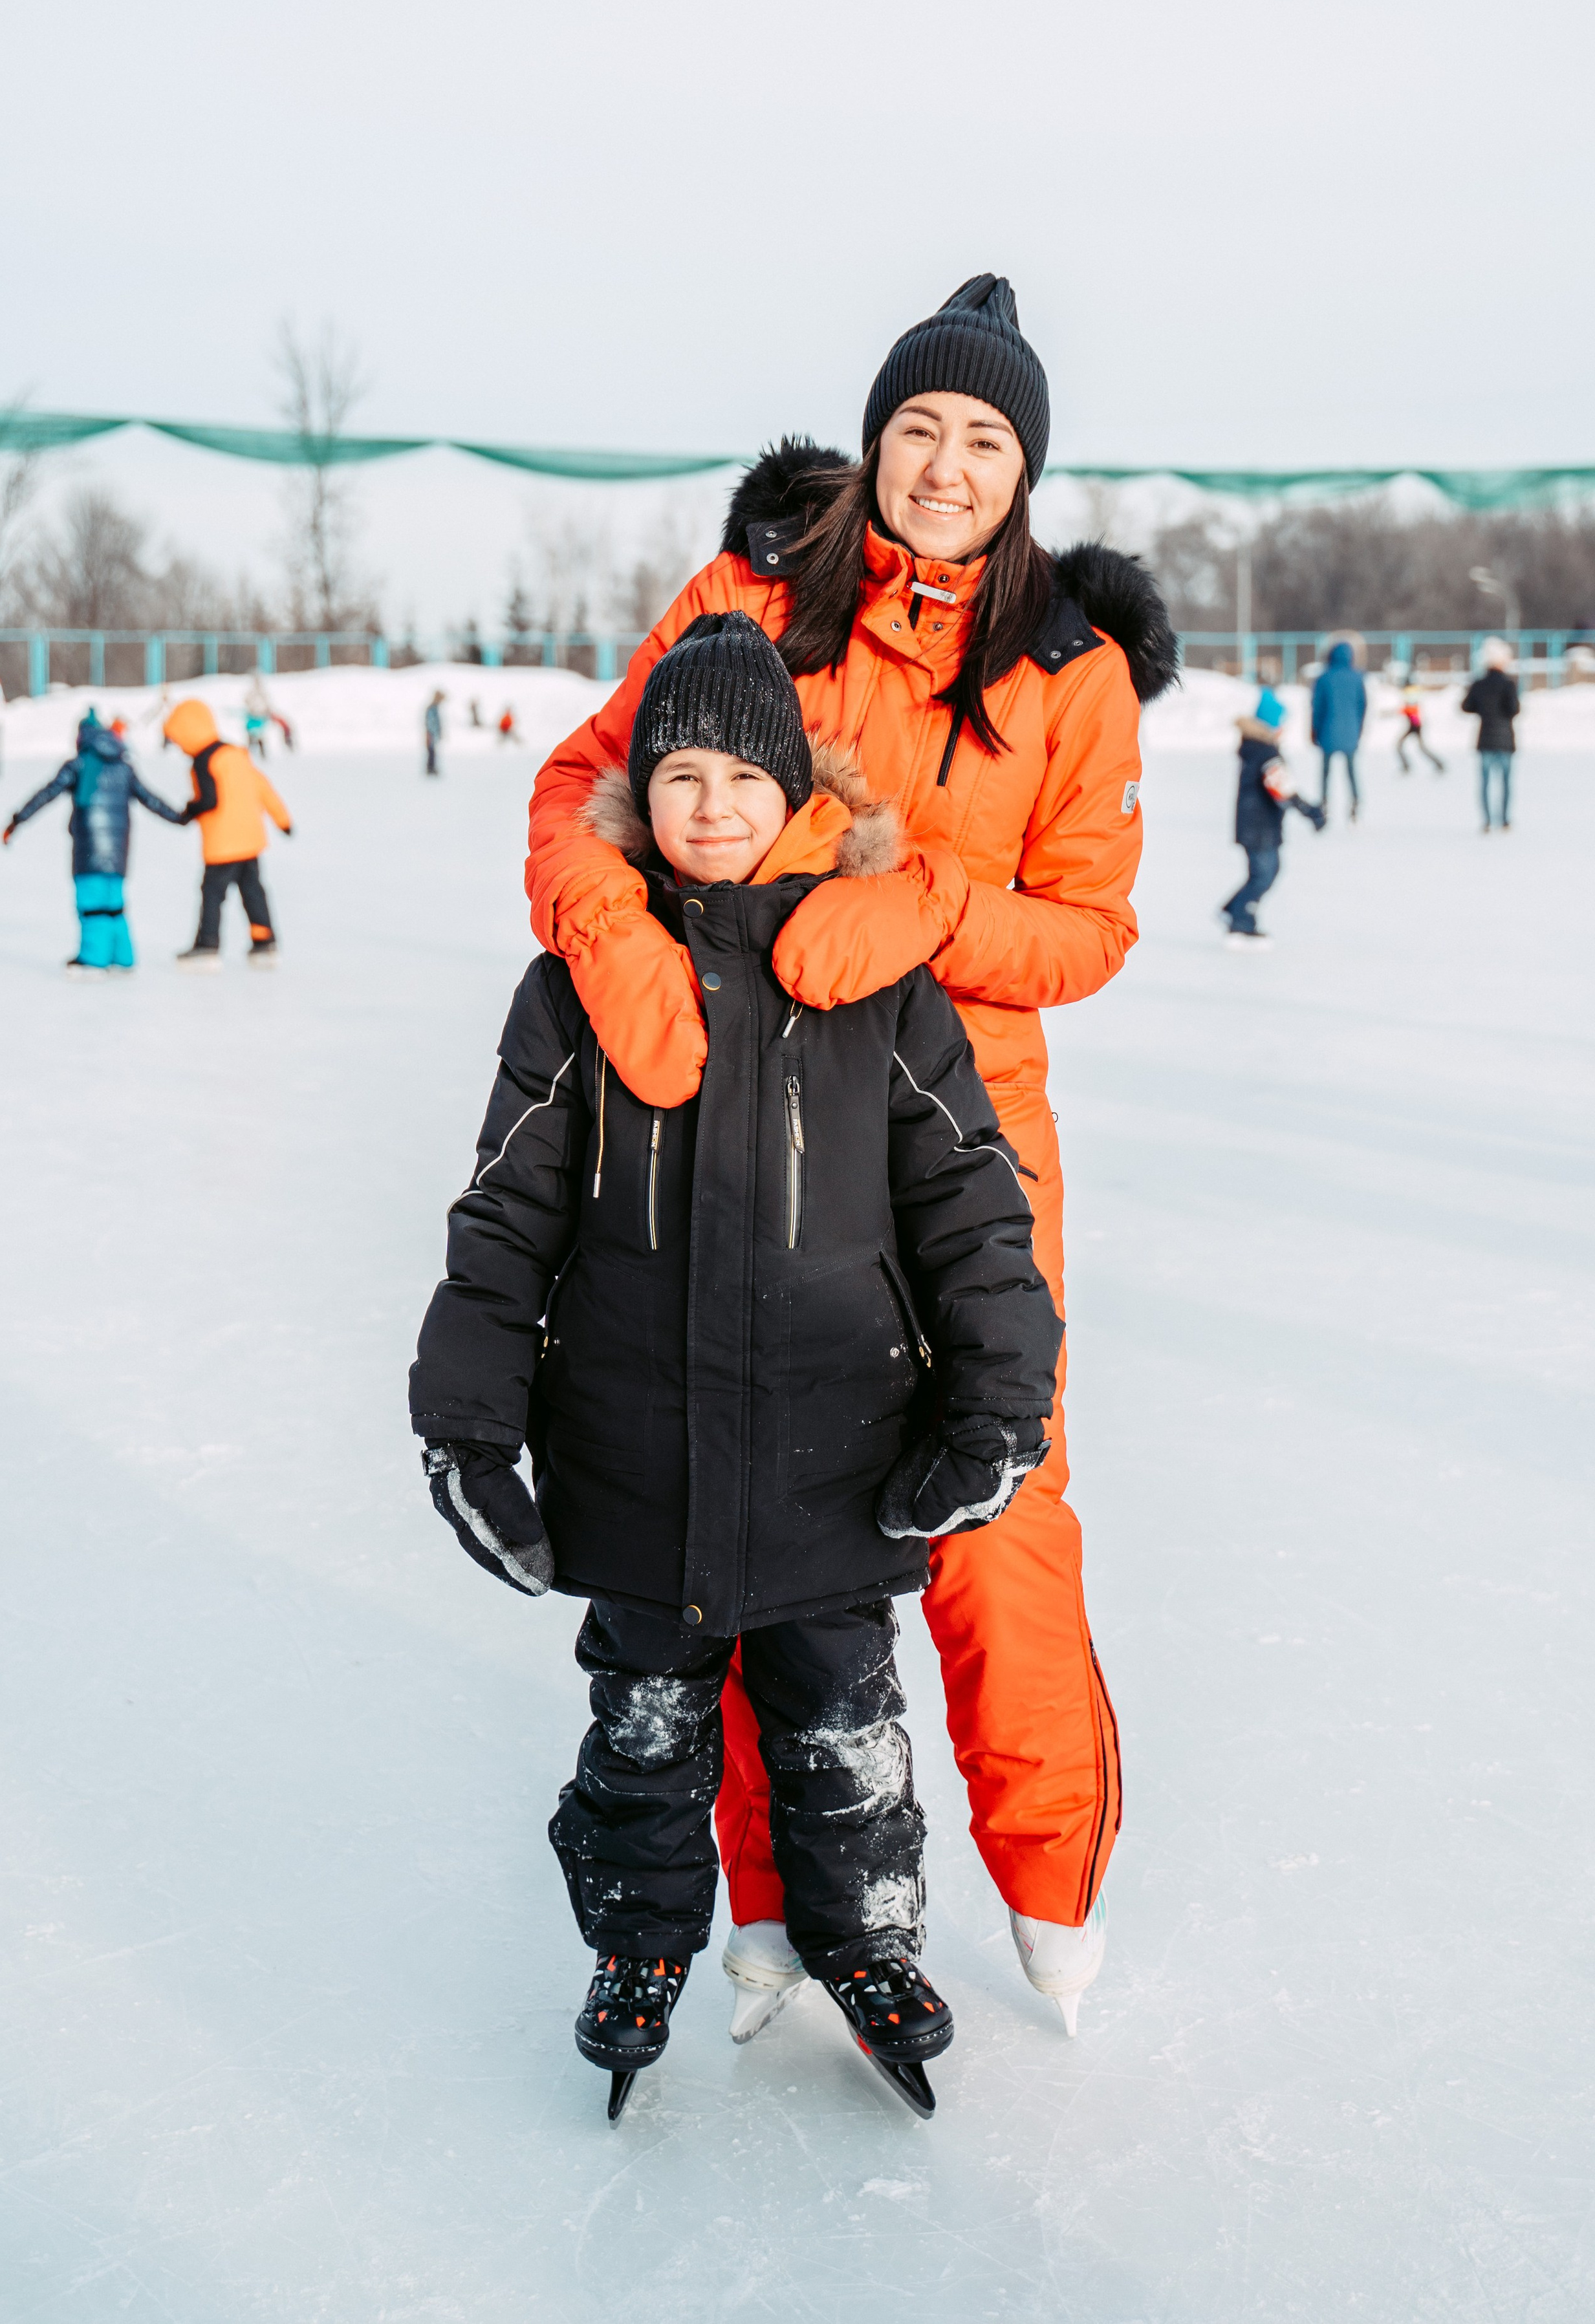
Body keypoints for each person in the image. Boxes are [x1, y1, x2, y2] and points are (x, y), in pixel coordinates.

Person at [524, 275, 1178, 2038]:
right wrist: (617, 942)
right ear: (876, 439)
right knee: (758, 1485)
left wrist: (932, 905)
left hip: (966, 1125)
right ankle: (764, 1899)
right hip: (750, 1113)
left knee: (997, 1502)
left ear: (1023, 471)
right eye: (919, 427)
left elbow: (1091, 927)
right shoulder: (753, 598)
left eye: (985, 440)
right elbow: (585, 791)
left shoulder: (1072, 670)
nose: (946, 465)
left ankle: (1046, 1875)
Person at [411, 614, 1061, 2118]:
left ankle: (869, 1942)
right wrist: (467, 1427)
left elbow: (969, 1205)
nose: (711, 807)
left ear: (795, 794)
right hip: (633, 1447)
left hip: (838, 1448)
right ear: (640, 796)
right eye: (680, 777)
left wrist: (997, 1397)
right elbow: (504, 1217)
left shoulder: (878, 984)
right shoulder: (573, 988)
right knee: (643, 1732)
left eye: (742, 778)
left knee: (843, 1730)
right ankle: (636, 1948)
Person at [1, 707, 184, 976]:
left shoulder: (79, 765)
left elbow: (47, 794)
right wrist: (181, 817)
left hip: (89, 849)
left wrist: (18, 820)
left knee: (92, 904)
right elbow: (150, 799)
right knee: (114, 904)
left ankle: (94, 959)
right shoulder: (123, 766)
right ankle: (122, 957)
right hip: (119, 850)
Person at [161, 698, 292, 969]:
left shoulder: (203, 761)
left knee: (212, 894)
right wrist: (283, 821)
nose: (180, 746)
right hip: (250, 839)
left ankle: (207, 945)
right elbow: (262, 787)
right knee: (253, 891)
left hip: (223, 842)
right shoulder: (235, 753)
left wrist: (189, 812)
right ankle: (264, 942)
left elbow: (210, 800)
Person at [1222, 689, 1325, 945]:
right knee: (1264, 874)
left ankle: (1235, 909)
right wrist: (1311, 812)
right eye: (1280, 723)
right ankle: (1240, 919)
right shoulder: (1266, 753)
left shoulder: (1255, 748)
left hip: (1255, 823)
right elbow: (1283, 789)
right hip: (1260, 826)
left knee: (1265, 872)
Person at [1461, 638, 1521, 831]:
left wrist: (1484, 708)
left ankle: (1487, 820)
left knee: (1486, 783)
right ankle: (1504, 819)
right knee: (1505, 783)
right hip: (1505, 740)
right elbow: (1514, 709)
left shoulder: (1479, 684)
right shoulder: (1508, 684)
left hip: (1486, 738)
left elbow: (1466, 706)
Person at [1310, 638, 1368, 820]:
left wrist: (1314, 729)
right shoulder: (1357, 677)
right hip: (1351, 731)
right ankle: (1356, 799)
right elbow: (1362, 705)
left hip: (1328, 730)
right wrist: (1359, 728)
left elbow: (1317, 707)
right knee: (1351, 769)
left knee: (1326, 771)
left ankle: (1324, 801)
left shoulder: (1324, 678)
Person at [1395, 687, 1444, 775]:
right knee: (1401, 746)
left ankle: (1439, 764)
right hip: (1413, 727)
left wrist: (1415, 723)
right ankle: (1406, 766)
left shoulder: (1412, 701)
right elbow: (1402, 711)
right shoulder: (1409, 703)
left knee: (1421, 748)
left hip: (1416, 727)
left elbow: (1413, 714)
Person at [424, 689, 446, 777]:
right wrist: (431, 733)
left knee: (433, 751)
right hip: (431, 734)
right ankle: (430, 768)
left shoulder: (435, 708)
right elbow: (431, 722)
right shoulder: (432, 708)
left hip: (434, 734)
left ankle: (432, 768)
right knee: (431, 751)